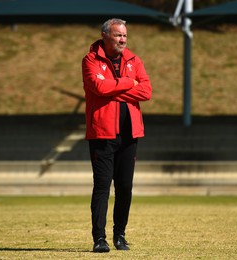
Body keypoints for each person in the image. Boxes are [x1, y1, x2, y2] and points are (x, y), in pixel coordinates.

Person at [81, 18, 152, 253]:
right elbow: (98, 88)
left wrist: (114, 89)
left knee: (125, 187)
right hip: (102, 133)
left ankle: (120, 235)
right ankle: (99, 238)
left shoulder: (134, 60)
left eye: (125, 36)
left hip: (130, 133)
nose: (122, 39)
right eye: (118, 35)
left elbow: (146, 91)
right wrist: (127, 84)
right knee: (102, 186)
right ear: (104, 36)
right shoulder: (90, 60)